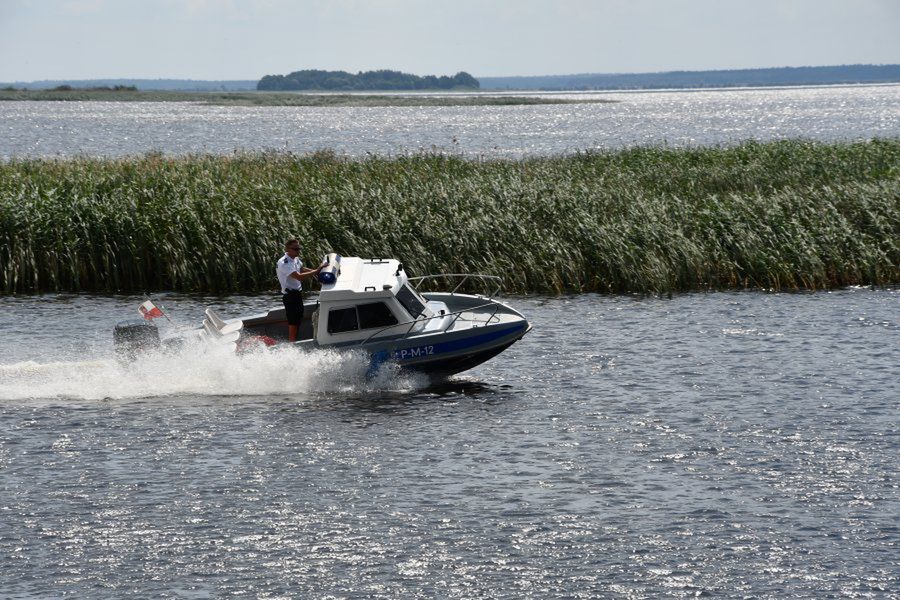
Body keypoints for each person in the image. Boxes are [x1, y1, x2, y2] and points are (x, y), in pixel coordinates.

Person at [276, 239, 323, 342]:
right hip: (290, 296)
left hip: (297, 294)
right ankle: (292, 343)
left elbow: (301, 269)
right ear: (288, 249)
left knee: (298, 319)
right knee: (293, 322)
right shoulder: (284, 262)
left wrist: (318, 271)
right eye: (295, 249)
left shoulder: (295, 259)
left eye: (299, 249)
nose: (298, 251)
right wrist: (316, 271)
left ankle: (294, 341)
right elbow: (299, 276)